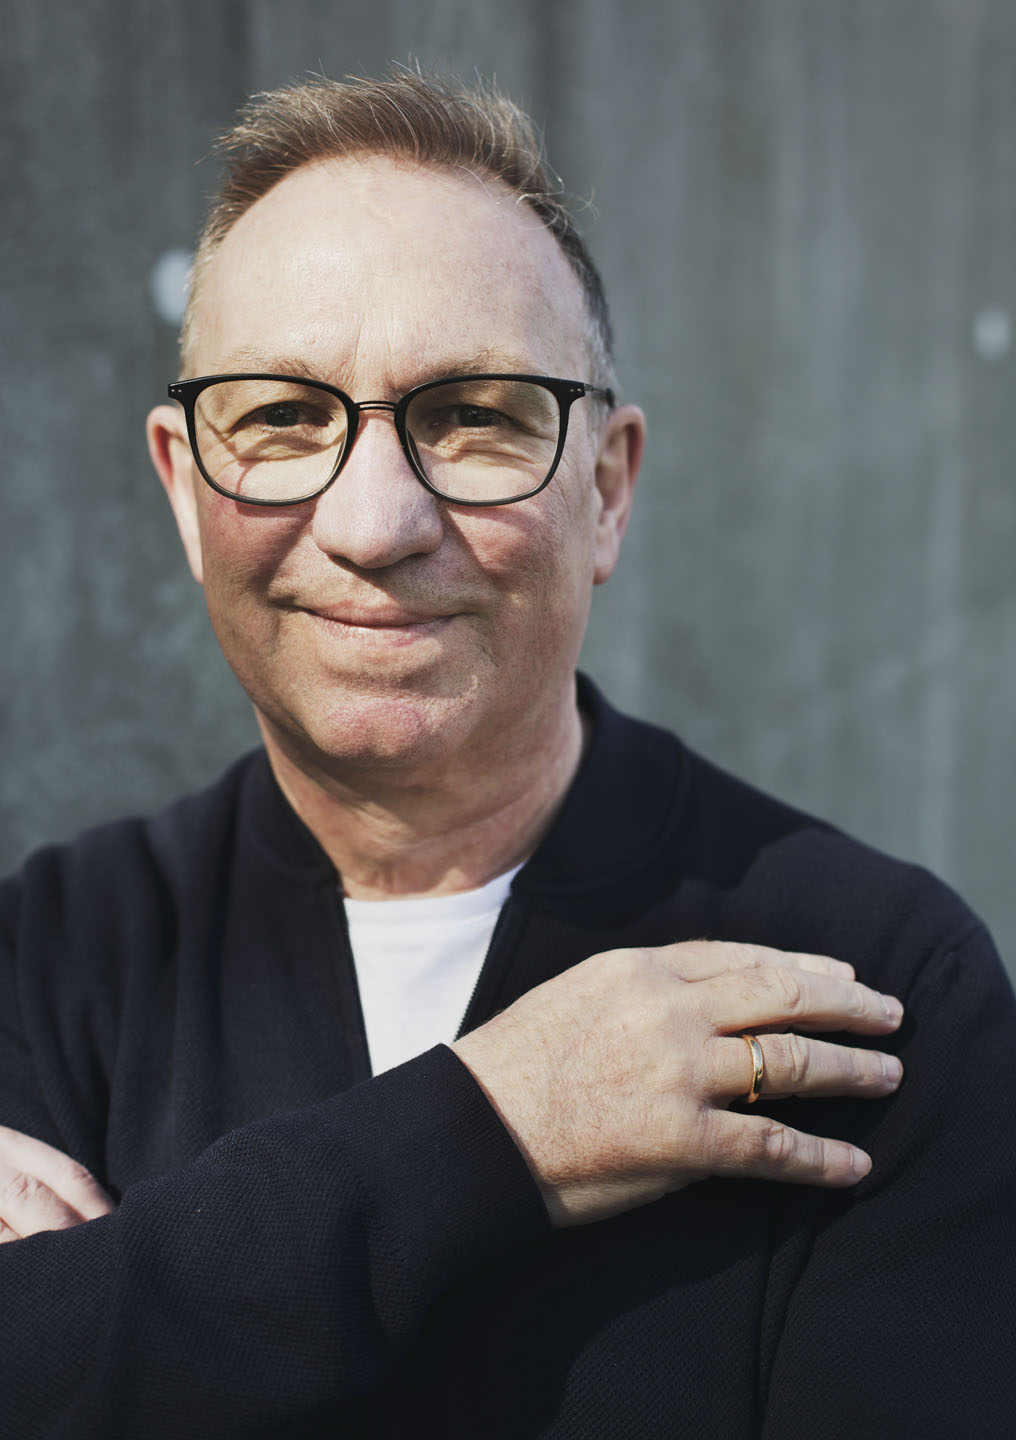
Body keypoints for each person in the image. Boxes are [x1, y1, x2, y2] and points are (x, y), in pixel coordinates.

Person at [0, 70, 1012, 1438]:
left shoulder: (868, 987)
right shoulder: (46, 967)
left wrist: (121, 1308)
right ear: (187, 489)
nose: (372, 523)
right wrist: (496, 1127)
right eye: (283, 416)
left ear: (608, 489)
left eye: (474, 414)